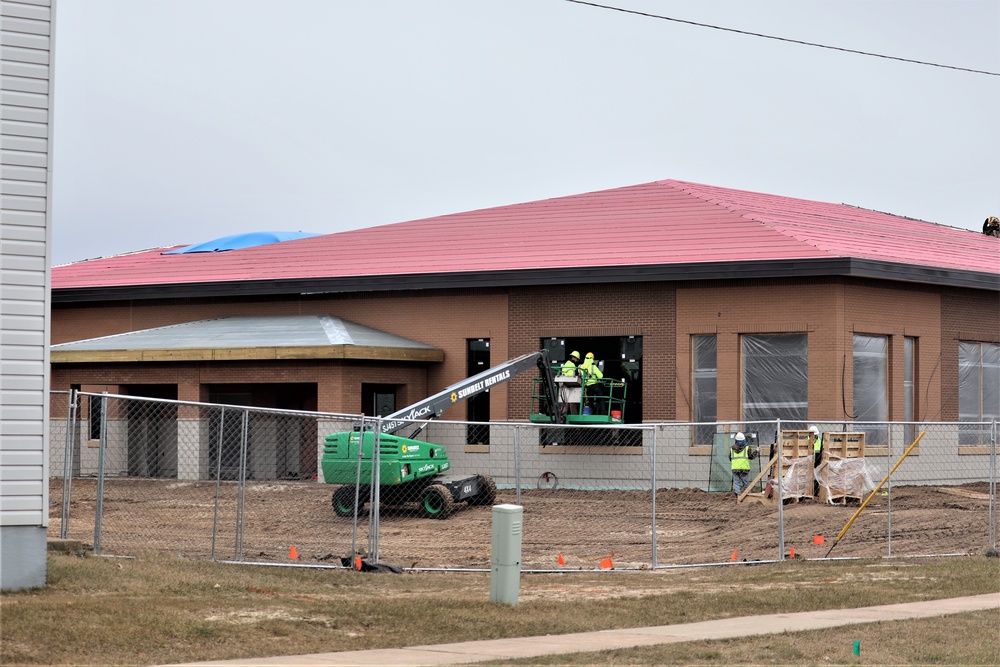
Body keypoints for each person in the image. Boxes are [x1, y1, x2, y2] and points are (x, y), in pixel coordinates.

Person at [729, 432, 757, 497]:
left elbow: (730, 458)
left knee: (737, 482)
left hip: (735, 468)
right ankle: (748, 494)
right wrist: (756, 452)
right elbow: (751, 457)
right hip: (744, 468)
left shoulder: (731, 449)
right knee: (745, 482)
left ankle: (738, 494)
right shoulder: (747, 448)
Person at [809, 425, 823, 495]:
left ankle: (815, 492)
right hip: (808, 463)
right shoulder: (806, 441)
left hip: (817, 462)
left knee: (816, 478)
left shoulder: (820, 441)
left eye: (815, 435)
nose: (814, 437)